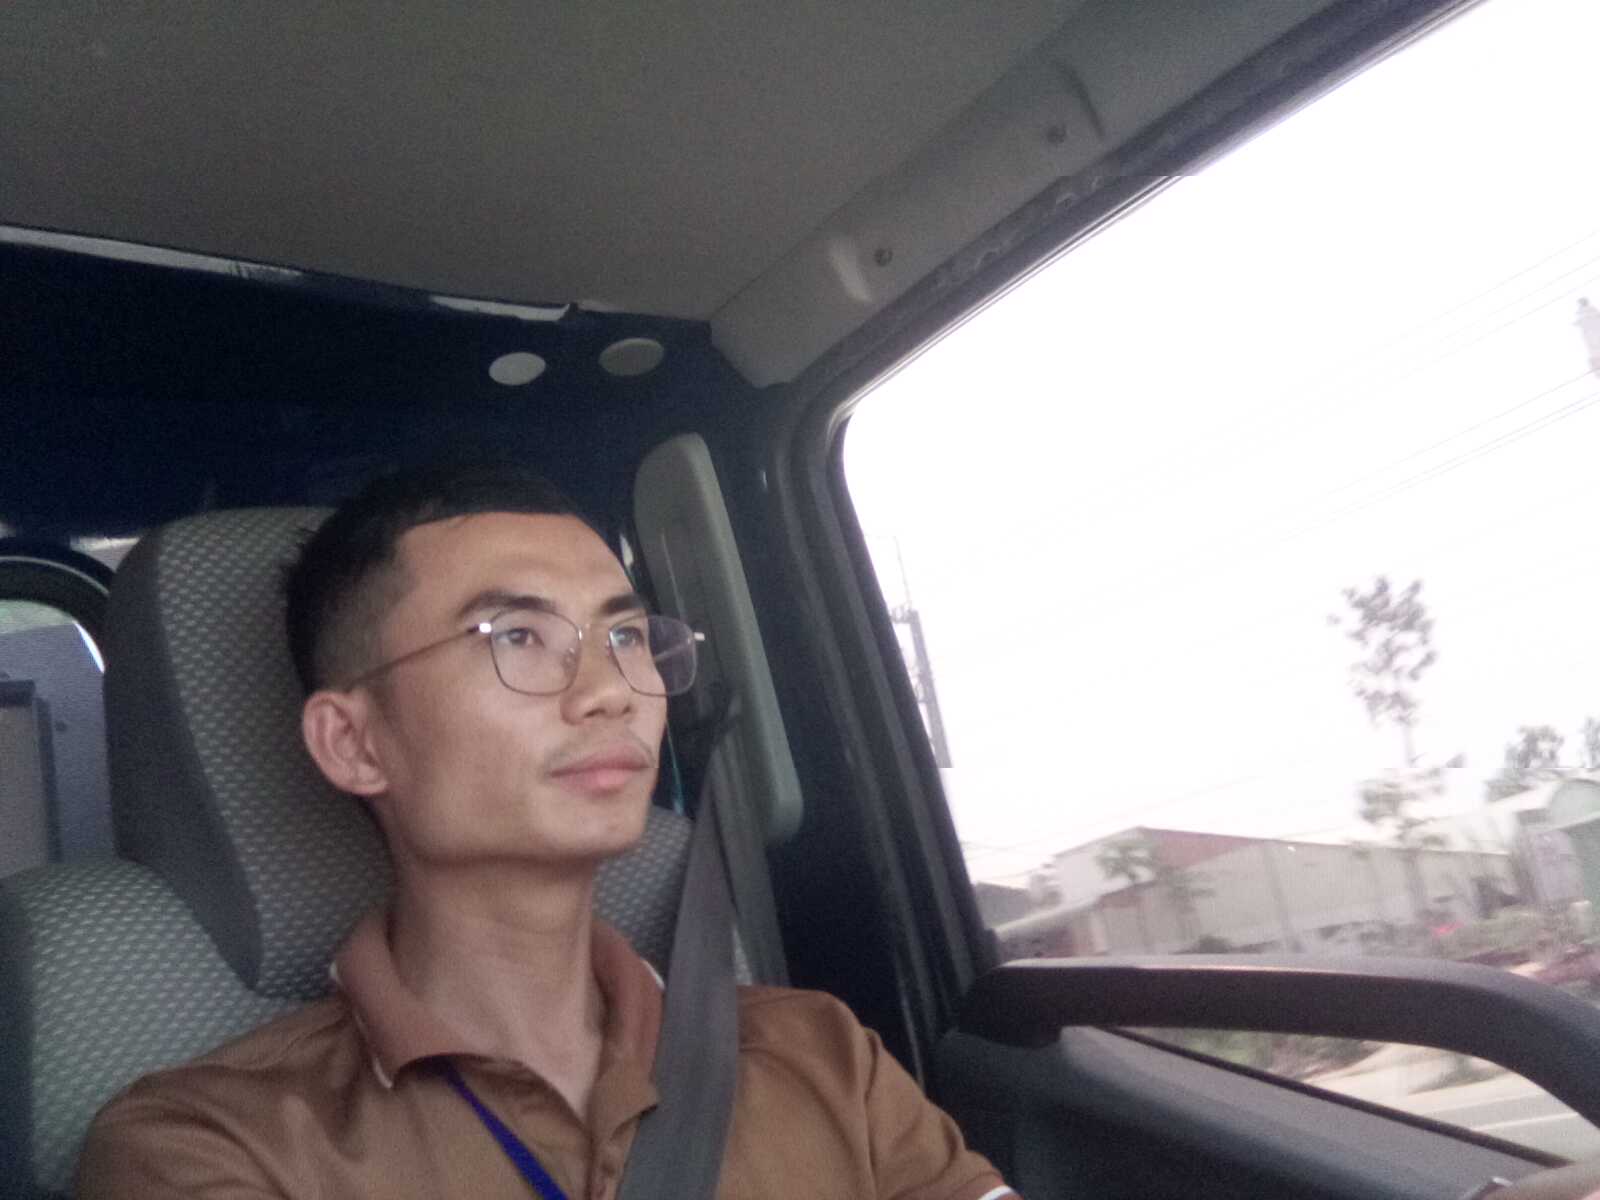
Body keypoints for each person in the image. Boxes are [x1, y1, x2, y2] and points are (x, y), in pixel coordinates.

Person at [77, 463, 1016, 1200]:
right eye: (516, 637)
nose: (613, 691)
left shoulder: (822, 1055)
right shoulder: (209, 1144)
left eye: (626, 637)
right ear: (354, 743)